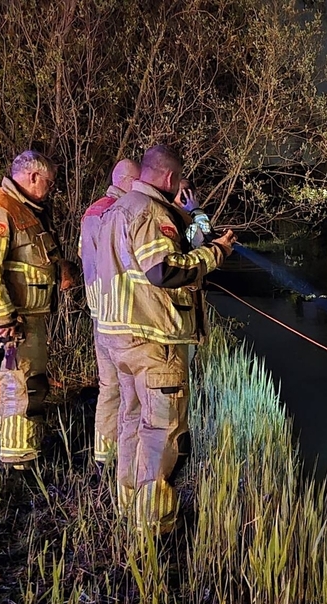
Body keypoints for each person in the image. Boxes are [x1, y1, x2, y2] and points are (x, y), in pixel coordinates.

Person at [96, 144, 236, 534]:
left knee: (131, 422)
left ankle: (129, 506)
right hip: (153, 340)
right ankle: (155, 524)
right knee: (162, 431)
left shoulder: (114, 211)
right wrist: (215, 254)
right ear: (171, 179)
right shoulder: (151, 212)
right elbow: (163, 270)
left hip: (119, 337)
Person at [0, 150, 65, 469]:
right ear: (33, 176)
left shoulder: (28, 210)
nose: (52, 188)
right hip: (15, 320)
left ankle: (27, 451)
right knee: (19, 388)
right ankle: (17, 462)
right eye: (49, 182)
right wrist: (3, 316)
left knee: (30, 386)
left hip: (30, 318)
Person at [79, 159, 141, 464]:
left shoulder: (91, 211)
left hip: (98, 311)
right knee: (130, 392)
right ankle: (127, 461)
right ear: (129, 181)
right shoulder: (122, 212)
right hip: (122, 311)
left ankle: (103, 456)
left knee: (109, 387)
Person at [174, 179, 213, 248]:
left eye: (186, 191)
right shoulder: (167, 217)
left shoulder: (193, 221)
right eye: (177, 190)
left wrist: (195, 211)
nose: (182, 195)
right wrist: (196, 211)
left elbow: (209, 241)